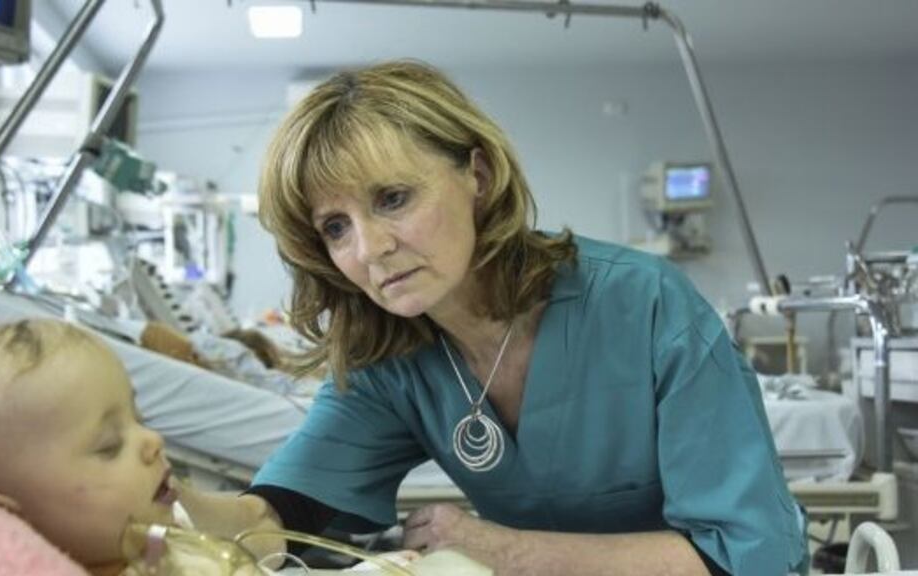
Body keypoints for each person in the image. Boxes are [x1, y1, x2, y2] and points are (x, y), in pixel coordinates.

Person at [241, 59, 809, 575]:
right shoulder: (392, 358)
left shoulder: (643, 305)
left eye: (393, 198)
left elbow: (751, 558)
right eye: (335, 227)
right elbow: (276, 516)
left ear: (478, 177)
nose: (369, 249)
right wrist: (160, 494)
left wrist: (506, 550)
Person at [0, 319, 285, 575]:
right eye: (109, 446)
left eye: (139, 418)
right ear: (9, 520)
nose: (152, 441)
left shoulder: (153, 541)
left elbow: (268, 541)